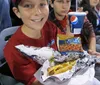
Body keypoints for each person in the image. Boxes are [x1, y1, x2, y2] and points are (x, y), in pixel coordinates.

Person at [4, 0, 58, 85]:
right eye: (28, 6)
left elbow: (62, 49)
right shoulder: (13, 49)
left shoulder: (50, 27)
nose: (37, 12)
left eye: (42, 4)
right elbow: (34, 82)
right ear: (17, 12)